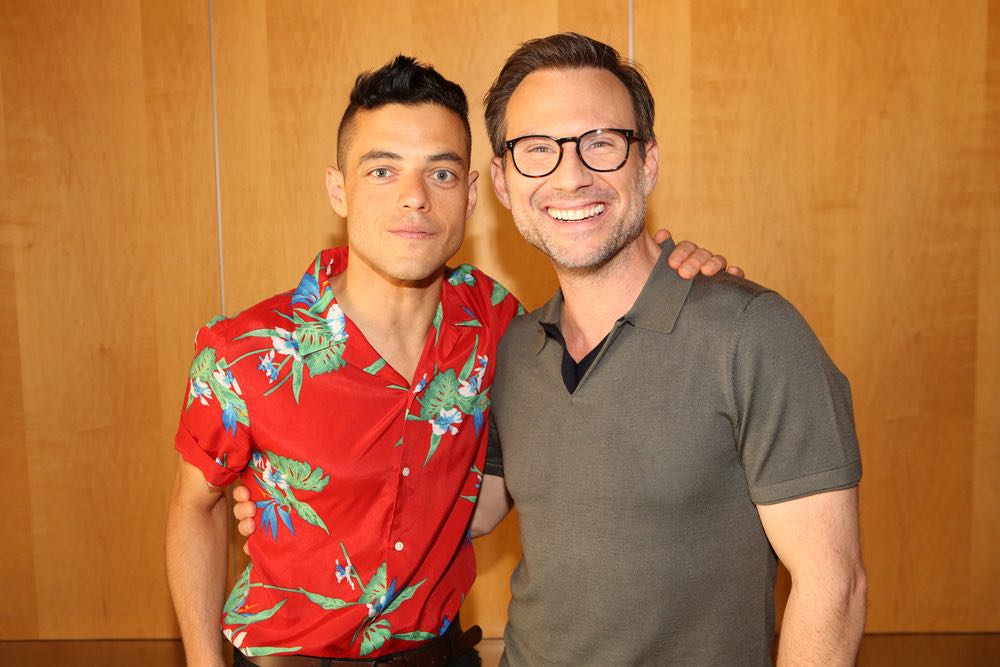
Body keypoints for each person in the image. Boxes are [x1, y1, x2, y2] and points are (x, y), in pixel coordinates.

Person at [166, 55, 732, 667]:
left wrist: (680, 268)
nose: (413, 199)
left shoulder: (499, 325)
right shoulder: (244, 351)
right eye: (382, 170)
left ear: (469, 196)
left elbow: (540, 452)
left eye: (440, 174)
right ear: (339, 189)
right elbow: (193, 510)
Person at [477, 34, 867, 665]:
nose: (571, 176)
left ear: (647, 163)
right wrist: (280, 487)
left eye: (602, 143)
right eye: (537, 150)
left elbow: (835, 587)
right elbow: (468, 511)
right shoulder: (514, 349)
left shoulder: (752, 334)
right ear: (501, 180)